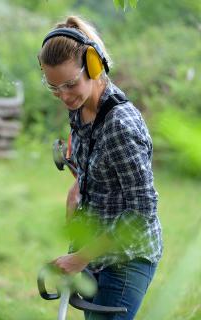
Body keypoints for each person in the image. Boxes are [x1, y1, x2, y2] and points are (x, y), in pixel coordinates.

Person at [38, 16, 163, 319]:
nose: (65, 96)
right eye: (54, 88)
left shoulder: (120, 125)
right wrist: (77, 185)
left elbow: (142, 211)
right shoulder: (81, 111)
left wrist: (81, 258)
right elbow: (96, 166)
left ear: (94, 66)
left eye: (70, 84)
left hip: (126, 257)